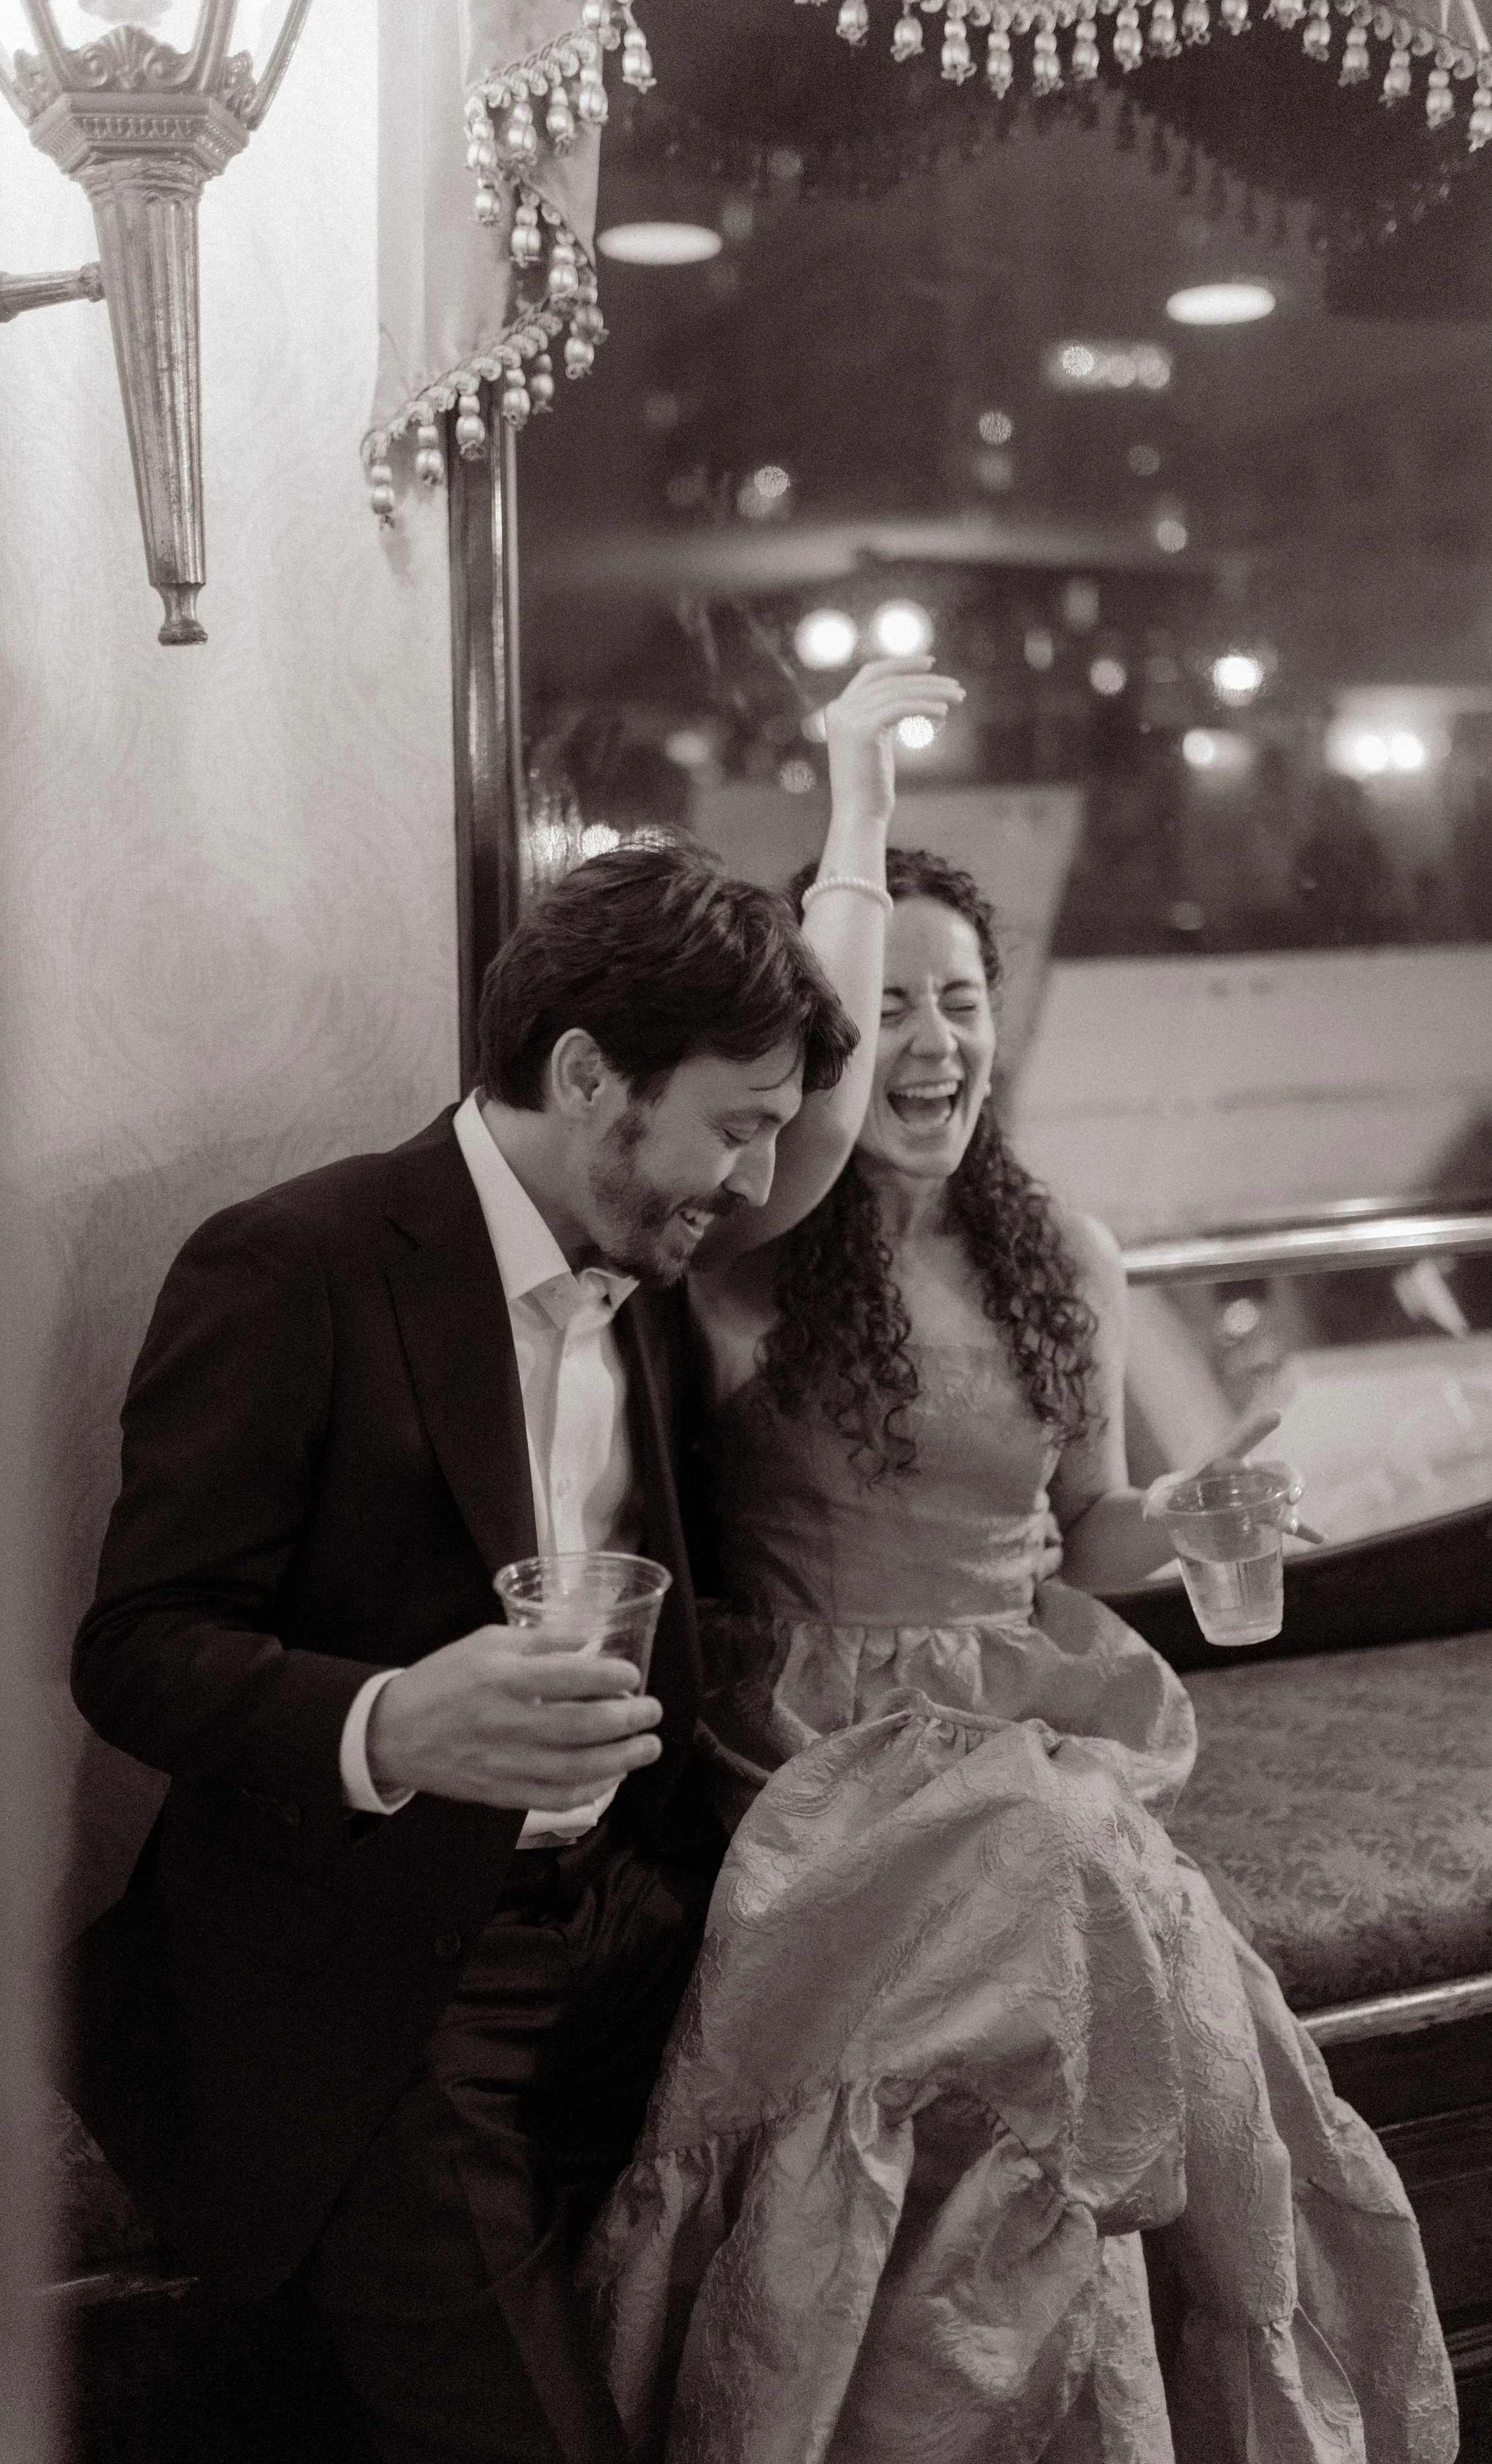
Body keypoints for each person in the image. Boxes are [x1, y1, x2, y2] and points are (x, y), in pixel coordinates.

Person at [64, 658, 964, 2464]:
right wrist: (391, 1720)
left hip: (629, 1921)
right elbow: (136, 1644)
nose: (761, 1173)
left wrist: (851, 819)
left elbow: (809, 1130)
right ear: (583, 1074)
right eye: (731, 1121)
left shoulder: (645, 1239)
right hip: (379, 1975)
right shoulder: (296, 1265)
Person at [580, 848, 1458, 2463]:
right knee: (1072, 1873)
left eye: (963, 1001)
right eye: (888, 1004)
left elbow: (1092, 1526)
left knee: (1086, 1887)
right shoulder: (744, 1258)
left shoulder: (1066, 1250)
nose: (935, 1043)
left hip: (1018, 1699)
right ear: (823, 1044)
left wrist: (1193, 1508)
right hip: (810, 1728)